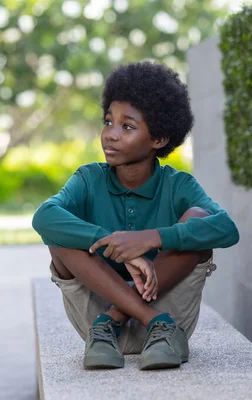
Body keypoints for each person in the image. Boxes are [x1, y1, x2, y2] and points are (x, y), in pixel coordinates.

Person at [31, 60, 240, 370]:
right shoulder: (89, 179)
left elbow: (227, 229)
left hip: (168, 325)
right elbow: (43, 217)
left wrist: (151, 238)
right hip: (98, 332)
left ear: (158, 139)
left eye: (127, 126)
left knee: (198, 219)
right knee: (59, 230)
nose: (110, 135)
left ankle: (122, 315)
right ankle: (145, 318)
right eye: (108, 122)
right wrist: (108, 240)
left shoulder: (177, 185)